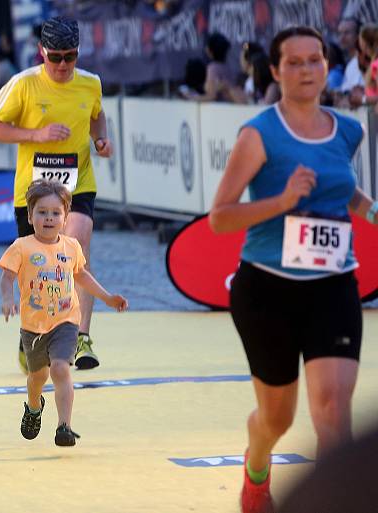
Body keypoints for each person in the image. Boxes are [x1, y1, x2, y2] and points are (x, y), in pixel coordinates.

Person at [209, 26, 373, 513]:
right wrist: (282, 201)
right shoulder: (259, 134)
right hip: (268, 290)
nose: (307, 70)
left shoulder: (348, 129)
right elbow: (220, 217)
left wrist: (372, 210)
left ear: (328, 65)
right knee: (276, 419)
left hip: (333, 284)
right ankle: (256, 468)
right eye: (295, 63)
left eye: (315, 60)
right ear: (276, 71)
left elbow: (341, 189)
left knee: (332, 413)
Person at [0, 15, 112, 373]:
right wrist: (37, 136)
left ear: (78, 53)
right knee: (37, 266)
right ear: (41, 52)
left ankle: (81, 336)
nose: (61, 65)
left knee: (77, 245)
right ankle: (34, 335)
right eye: (54, 57)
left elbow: (97, 116)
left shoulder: (90, 84)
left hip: (77, 183)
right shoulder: (23, 84)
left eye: (69, 57)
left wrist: (100, 139)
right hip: (34, 190)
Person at [0, 180, 127, 446]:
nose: (49, 218)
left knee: (60, 368)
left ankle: (64, 426)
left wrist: (108, 298)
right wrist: (8, 298)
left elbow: (82, 276)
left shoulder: (71, 247)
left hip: (65, 321)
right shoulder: (21, 246)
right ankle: (34, 406)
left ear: (65, 217)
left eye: (55, 213)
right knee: (37, 377)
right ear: (31, 216)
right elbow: (6, 277)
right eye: (42, 212)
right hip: (34, 326)